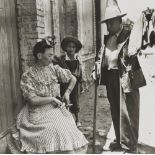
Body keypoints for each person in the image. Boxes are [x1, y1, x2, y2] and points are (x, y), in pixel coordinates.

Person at [8, 37, 88, 154]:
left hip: (55, 108)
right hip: (37, 111)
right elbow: (32, 100)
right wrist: (51, 98)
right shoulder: (28, 75)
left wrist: (67, 93)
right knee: (51, 131)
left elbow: (73, 78)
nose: (52, 58)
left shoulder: (54, 69)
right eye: (49, 55)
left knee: (67, 127)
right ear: (39, 56)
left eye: (52, 55)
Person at [92, 6, 146, 153]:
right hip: (111, 78)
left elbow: (139, 45)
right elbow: (100, 56)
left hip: (126, 77)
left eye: (111, 23)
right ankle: (120, 141)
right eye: (107, 23)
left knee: (128, 113)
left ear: (119, 21)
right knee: (116, 112)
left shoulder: (130, 35)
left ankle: (131, 146)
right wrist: (95, 68)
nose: (108, 26)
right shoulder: (107, 39)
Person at [53, 37, 87, 127]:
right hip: (64, 83)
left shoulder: (78, 59)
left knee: (75, 100)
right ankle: (66, 119)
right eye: (69, 47)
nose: (71, 49)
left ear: (75, 49)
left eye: (73, 47)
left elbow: (80, 71)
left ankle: (77, 119)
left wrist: (82, 82)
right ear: (65, 48)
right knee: (64, 100)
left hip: (75, 84)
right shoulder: (62, 59)